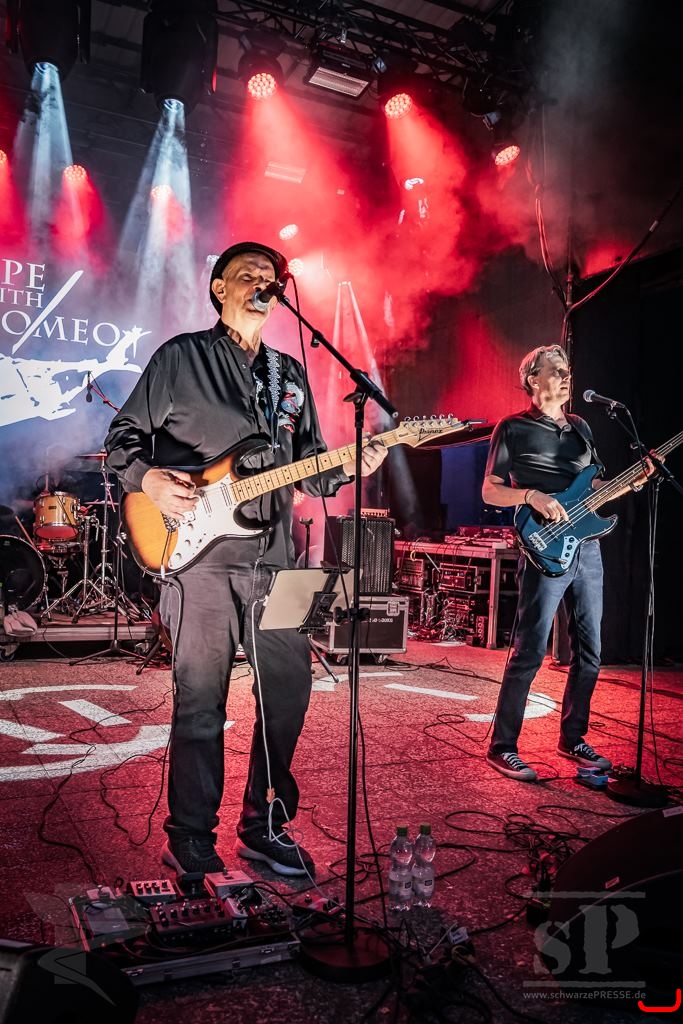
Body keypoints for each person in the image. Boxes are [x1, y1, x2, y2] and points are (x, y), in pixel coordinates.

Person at [104, 241, 386, 876]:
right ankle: (190, 835)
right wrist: (149, 480)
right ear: (219, 288)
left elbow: (310, 469)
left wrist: (351, 464)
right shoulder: (181, 357)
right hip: (200, 558)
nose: (264, 282)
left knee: (289, 690)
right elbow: (121, 439)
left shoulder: (290, 374)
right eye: (249, 274)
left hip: (278, 558)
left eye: (271, 276)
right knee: (201, 700)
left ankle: (264, 825)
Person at [482, 344, 649, 782]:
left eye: (567, 369)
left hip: (587, 547)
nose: (565, 375)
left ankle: (573, 737)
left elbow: (594, 490)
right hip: (543, 544)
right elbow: (490, 489)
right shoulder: (512, 427)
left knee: (591, 651)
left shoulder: (580, 427)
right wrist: (530, 495)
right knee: (530, 650)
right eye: (556, 369)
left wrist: (632, 482)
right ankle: (502, 746)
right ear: (533, 379)